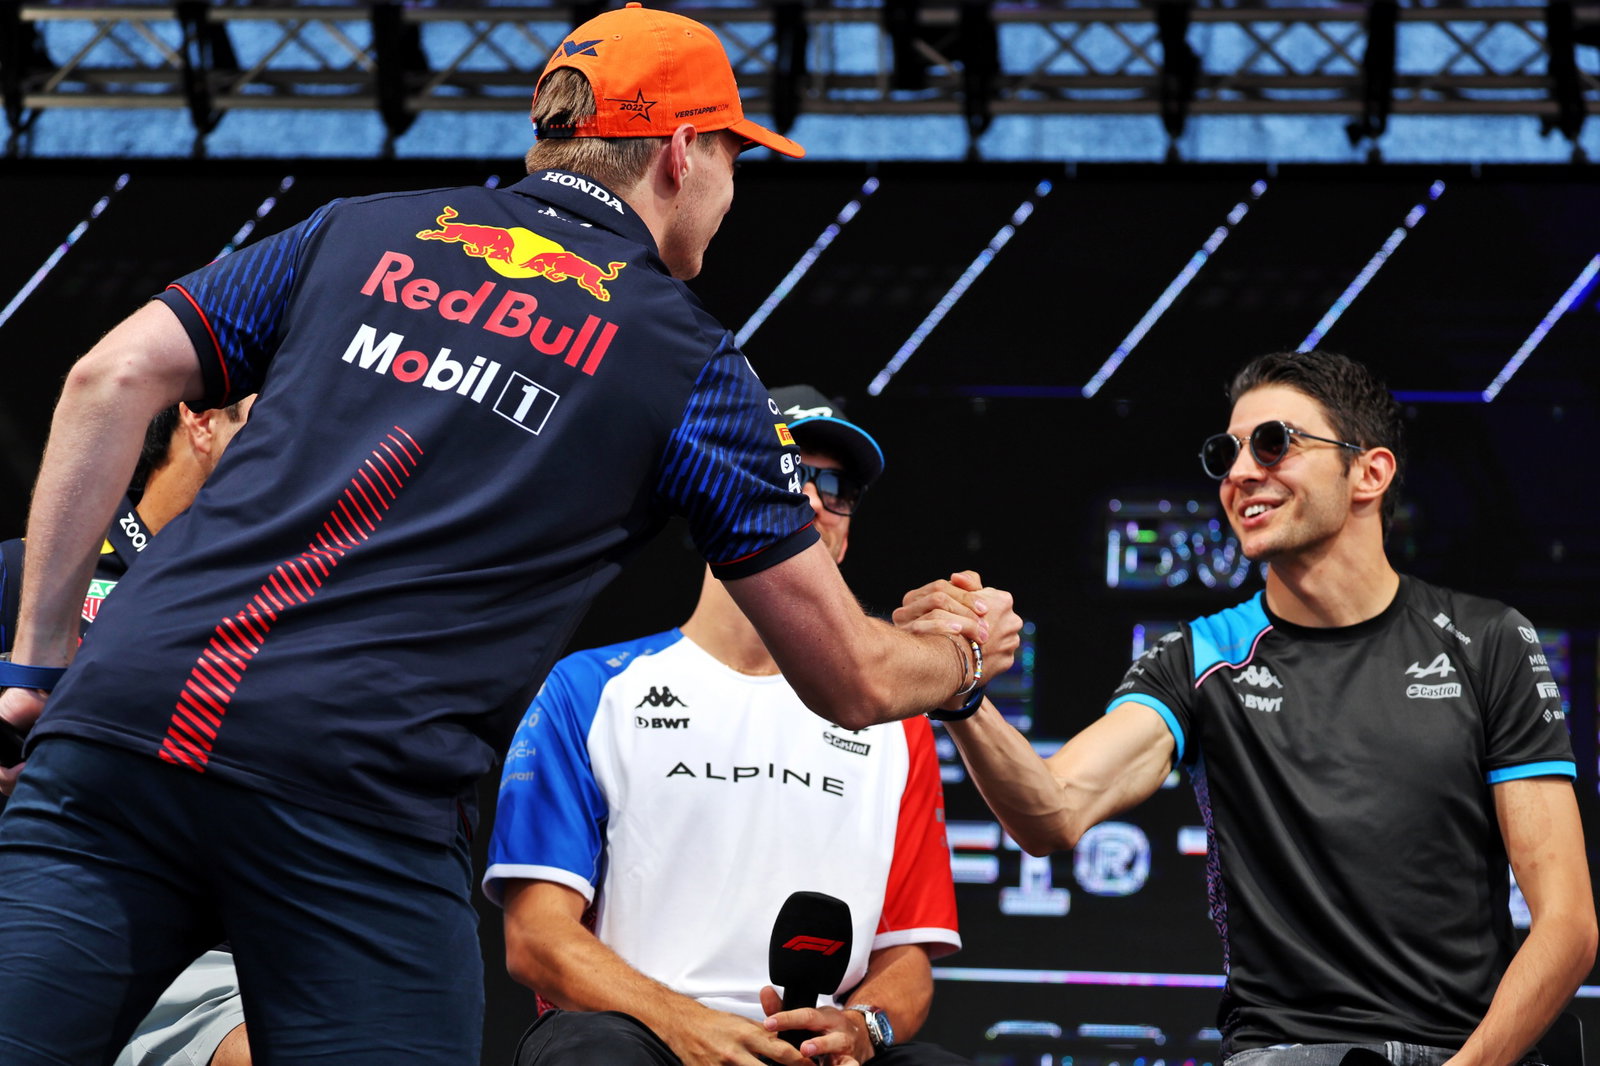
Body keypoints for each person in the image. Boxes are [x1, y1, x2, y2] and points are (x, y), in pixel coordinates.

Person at [0, 5, 1020, 1065]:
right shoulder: (688, 361)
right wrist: (962, 658)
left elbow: (108, 378)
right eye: (731, 158)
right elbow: (852, 679)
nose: (729, 191)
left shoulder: (360, 231)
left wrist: (34, 665)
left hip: (121, 724)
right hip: (352, 789)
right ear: (680, 152)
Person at [896, 350, 1595, 1066]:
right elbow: (1052, 810)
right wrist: (964, 694)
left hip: (1470, 1053)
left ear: (1369, 473)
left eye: (1273, 443)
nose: (1239, 473)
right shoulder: (1201, 657)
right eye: (1226, 453)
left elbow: (1568, 924)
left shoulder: (1487, 641)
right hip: (1289, 1053)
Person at [486, 385, 970, 1066]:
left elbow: (907, 959)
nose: (813, 500)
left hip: (812, 1053)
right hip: (645, 1037)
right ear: (712, 496)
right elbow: (536, 937)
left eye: (837, 488)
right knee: (590, 1052)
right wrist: (688, 1026)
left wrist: (863, 1026)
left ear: (845, 533)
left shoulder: (900, 725)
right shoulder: (591, 690)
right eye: (791, 474)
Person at [0, 397, 256, 1066]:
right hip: (33, 912)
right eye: (264, 418)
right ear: (200, 420)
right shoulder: (29, 574)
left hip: (209, 952)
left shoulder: (278, 606)